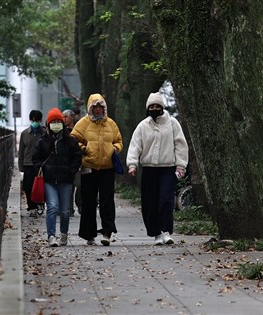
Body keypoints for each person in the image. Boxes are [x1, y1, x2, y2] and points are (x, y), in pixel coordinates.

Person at [126, 92, 188, 245]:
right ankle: (155, 233)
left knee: (166, 199)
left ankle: (166, 231)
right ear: (148, 108)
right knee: (150, 202)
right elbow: (135, 146)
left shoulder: (172, 123)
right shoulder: (143, 126)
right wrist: (132, 164)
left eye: (157, 106)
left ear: (162, 107)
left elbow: (180, 145)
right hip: (149, 169)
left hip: (167, 168)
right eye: (151, 106)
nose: (154, 108)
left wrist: (181, 165)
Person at [71, 94, 123, 246]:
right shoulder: (83, 123)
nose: (98, 110)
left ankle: (107, 232)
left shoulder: (111, 124)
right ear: (90, 108)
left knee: (107, 200)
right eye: (95, 107)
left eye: (101, 107)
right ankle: (89, 234)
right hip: (89, 167)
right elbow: (73, 139)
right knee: (88, 201)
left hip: (107, 168)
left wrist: (114, 149)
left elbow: (119, 141)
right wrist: (83, 148)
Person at [33, 108, 82, 247]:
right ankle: (51, 236)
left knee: (65, 211)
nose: (56, 124)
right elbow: (35, 158)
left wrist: (71, 170)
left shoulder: (70, 141)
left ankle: (64, 234)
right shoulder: (43, 141)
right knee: (52, 207)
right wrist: (40, 168)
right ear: (48, 124)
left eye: (58, 122)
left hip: (65, 180)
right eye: (53, 122)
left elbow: (77, 156)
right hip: (49, 180)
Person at [18, 110, 46, 217]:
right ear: (31, 119)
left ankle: (40, 204)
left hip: (41, 164)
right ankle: (31, 206)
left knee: (40, 186)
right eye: (33, 119)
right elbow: (21, 151)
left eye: (37, 119)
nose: (35, 121)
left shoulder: (44, 133)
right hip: (28, 164)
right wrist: (21, 166)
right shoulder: (25, 134)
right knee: (28, 186)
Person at [62, 109, 82, 217]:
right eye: (63, 117)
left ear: (72, 117)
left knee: (79, 185)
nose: (64, 119)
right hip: (66, 162)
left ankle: (80, 204)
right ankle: (69, 208)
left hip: (78, 162)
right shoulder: (62, 130)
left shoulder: (79, 129)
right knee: (68, 186)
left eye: (66, 117)